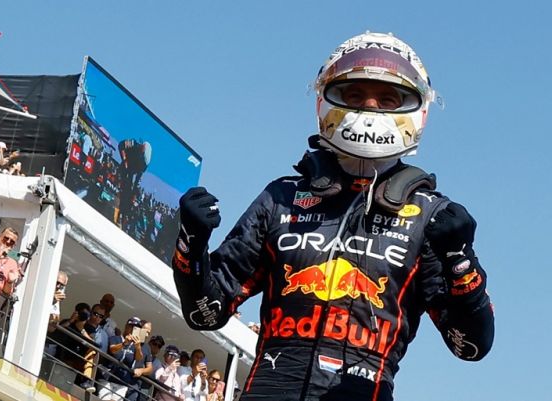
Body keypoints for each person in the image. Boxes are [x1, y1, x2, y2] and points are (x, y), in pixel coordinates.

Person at [171, 32, 495, 401]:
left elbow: (471, 346)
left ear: (416, 111)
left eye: (388, 98)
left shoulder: (431, 216)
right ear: (324, 99)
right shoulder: (282, 196)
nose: (370, 108)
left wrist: (460, 262)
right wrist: (191, 245)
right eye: (354, 95)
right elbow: (206, 315)